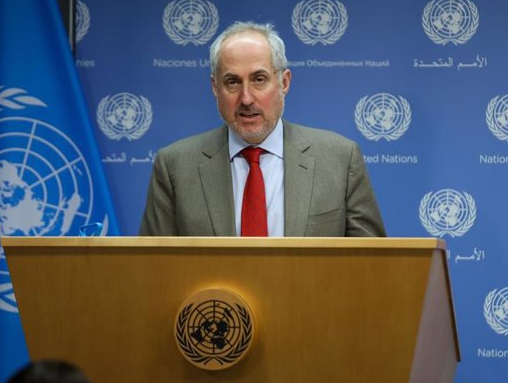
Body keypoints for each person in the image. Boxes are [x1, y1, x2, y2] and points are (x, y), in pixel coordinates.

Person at [140, 21, 385, 237]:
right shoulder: (174, 166)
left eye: (259, 79)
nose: (246, 98)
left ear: (284, 82)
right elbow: (154, 270)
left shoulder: (340, 159)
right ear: (215, 87)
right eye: (232, 82)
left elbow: (372, 266)